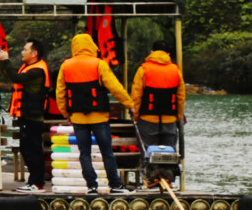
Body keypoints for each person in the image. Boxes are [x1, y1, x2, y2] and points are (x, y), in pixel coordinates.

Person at [57, 33, 135, 193]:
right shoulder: (99, 64)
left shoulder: (65, 66)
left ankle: (91, 186)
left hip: (77, 117)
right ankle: (115, 185)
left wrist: (66, 114)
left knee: (84, 153)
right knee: (107, 152)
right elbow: (115, 87)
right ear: (91, 45)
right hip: (99, 117)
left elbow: (60, 93)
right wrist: (130, 105)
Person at [130, 41, 183, 185]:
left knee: (148, 154)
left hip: (147, 119)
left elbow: (136, 96)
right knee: (168, 154)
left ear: (151, 51)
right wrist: (178, 117)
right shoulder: (175, 70)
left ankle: (150, 181)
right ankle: (168, 180)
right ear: (168, 54)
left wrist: (135, 117)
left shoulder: (143, 70)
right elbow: (180, 97)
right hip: (170, 120)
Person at [10, 40, 55, 191]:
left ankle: (37, 183)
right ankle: (33, 182)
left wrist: (5, 62)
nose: (22, 52)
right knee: (26, 148)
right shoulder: (29, 68)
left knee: (33, 149)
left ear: (34, 53)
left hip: (33, 116)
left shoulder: (37, 71)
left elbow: (17, 79)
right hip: (26, 115)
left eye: (25, 49)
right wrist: (3, 63)